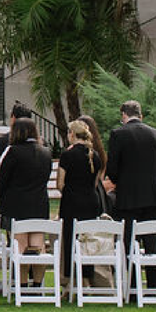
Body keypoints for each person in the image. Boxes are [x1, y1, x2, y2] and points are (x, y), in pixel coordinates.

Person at [103, 98, 156, 266]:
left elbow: (113, 169)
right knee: (151, 245)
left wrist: (118, 181)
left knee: (128, 244)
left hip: (128, 197)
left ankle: (131, 287)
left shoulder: (118, 134)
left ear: (124, 115)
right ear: (141, 115)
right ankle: (154, 287)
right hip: (153, 196)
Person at [56, 116, 111, 293]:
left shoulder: (67, 155)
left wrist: (69, 192)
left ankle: (72, 280)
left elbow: (60, 183)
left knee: (70, 240)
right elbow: (95, 183)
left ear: (72, 134)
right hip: (91, 201)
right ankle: (88, 277)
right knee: (88, 242)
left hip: (72, 202)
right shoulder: (94, 156)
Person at [0, 115, 54, 261]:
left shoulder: (12, 151)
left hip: (16, 206)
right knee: (38, 246)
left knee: (20, 247)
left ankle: (22, 282)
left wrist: (3, 201)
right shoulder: (46, 153)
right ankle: (38, 283)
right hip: (39, 204)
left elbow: (1, 181)